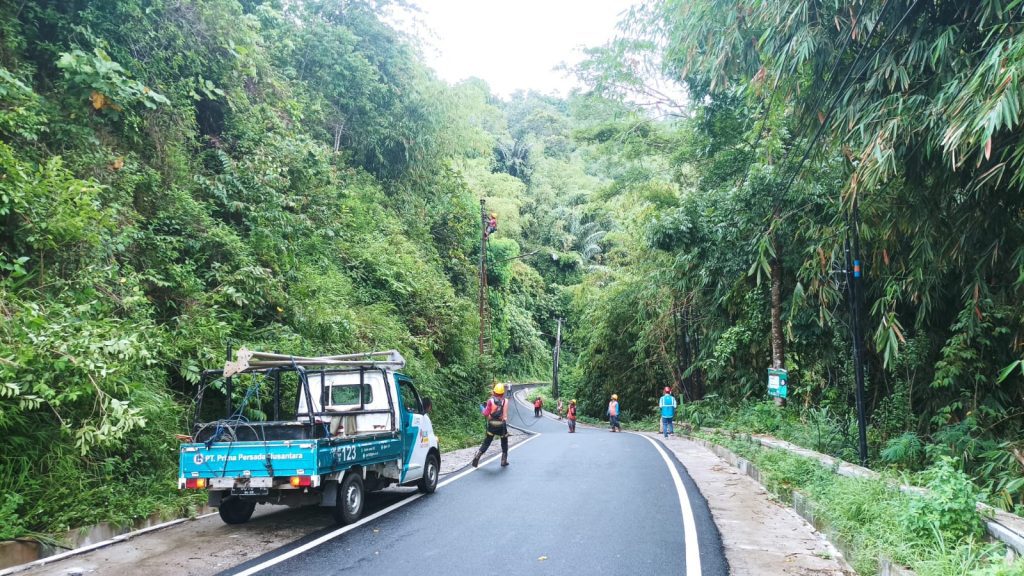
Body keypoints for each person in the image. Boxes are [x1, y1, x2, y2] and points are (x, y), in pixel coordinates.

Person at [473, 382, 510, 467]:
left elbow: (485, 413)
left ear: (494, 392)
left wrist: (482, 407)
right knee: (504, 442)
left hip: (492, 425)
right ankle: (503, 460)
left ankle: (478, 455)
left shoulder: (490, 401)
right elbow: (504, 414)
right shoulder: (506, 401)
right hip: (502, 426)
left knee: (487, 442)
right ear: (503, 393)